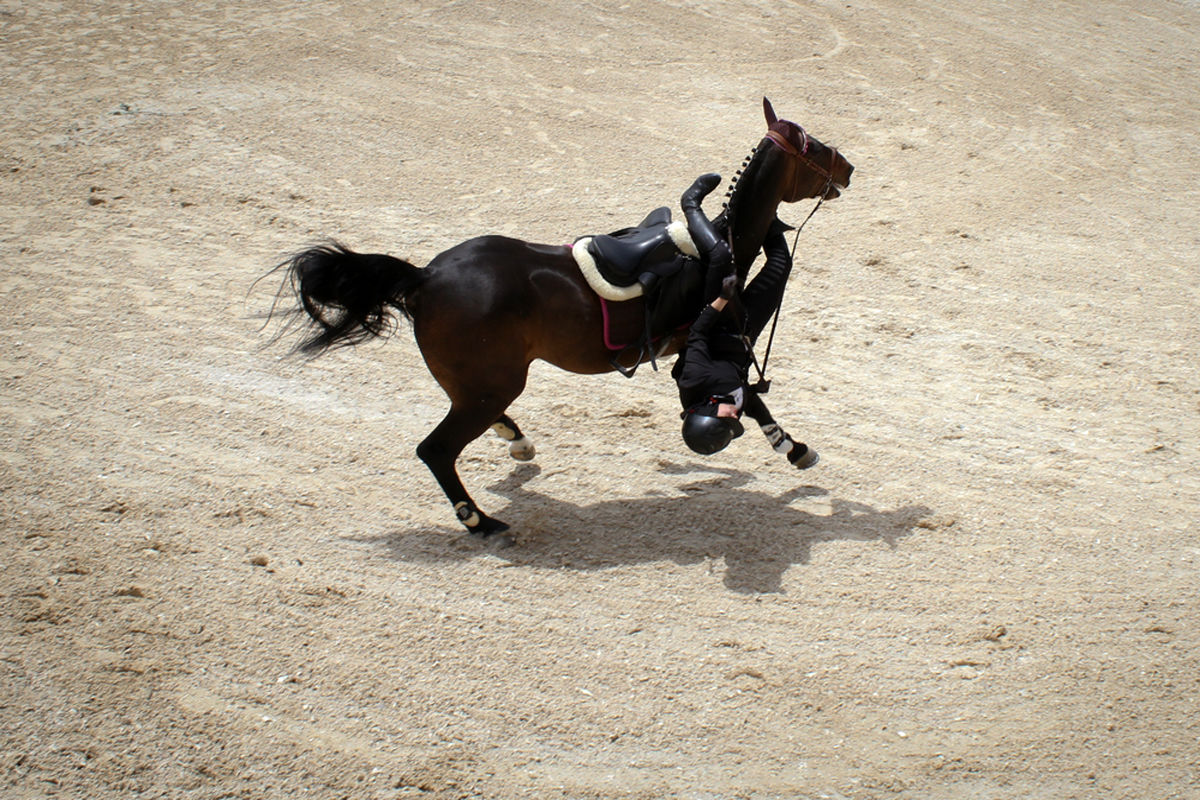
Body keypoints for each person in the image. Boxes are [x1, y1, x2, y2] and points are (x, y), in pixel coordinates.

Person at [671, 173, 819, 468]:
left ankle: (691, 205)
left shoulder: (694, 380)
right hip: (746, 334)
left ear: (707, 408)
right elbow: (747, 401)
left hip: (719, 319)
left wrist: (724, 297)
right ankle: (769, 213)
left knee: (721, 257)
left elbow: (698, 333)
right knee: (781, 264)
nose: (735, 417)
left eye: (728, 419)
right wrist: (781, 441)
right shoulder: (730, 407)